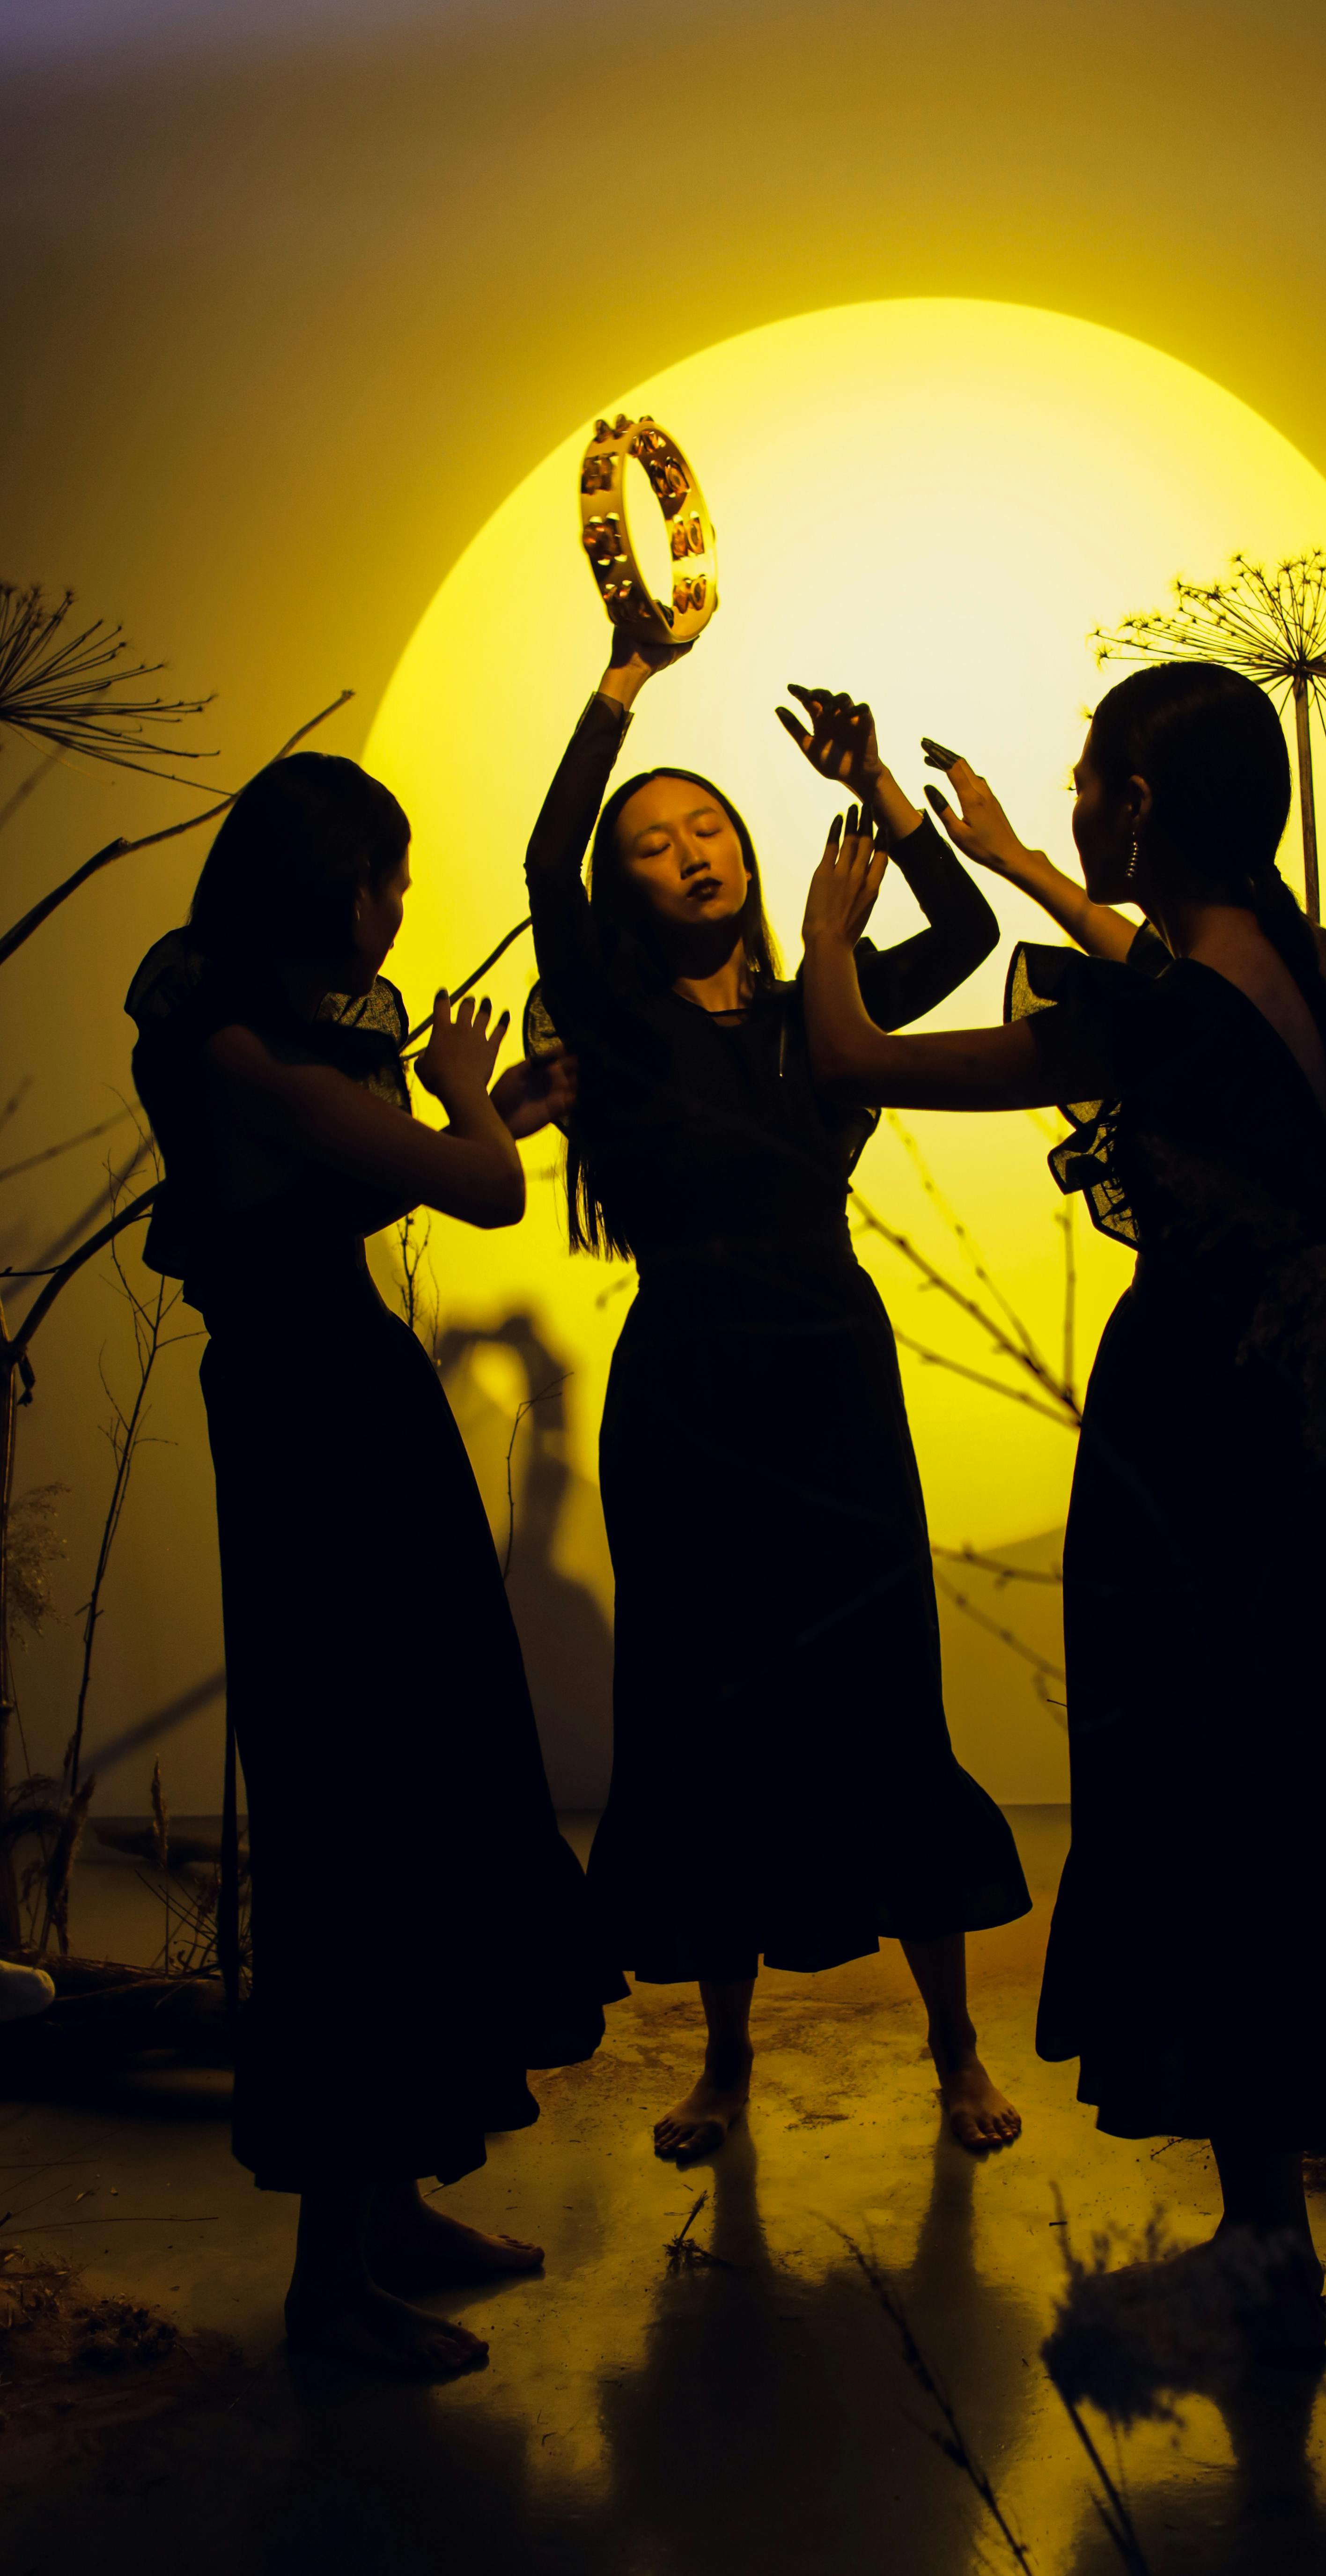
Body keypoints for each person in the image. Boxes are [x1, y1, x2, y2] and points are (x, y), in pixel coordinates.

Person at [798, 662, 1326, 2370]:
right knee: (1279, 1776)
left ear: (1146, 808)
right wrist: (1015, 863)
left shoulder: (1158, 1016)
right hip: (1294, 1409)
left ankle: (1257, 2250)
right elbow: (1168, 975)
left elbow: (850, 1052)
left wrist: (830, 914)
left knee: (1205, 1792)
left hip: (1202, 1429)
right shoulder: (1293, 963)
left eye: (1087, 777)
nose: (1073, 792)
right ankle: (1269, 2234)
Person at [127, 751, 624, 2379]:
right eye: (387, 880)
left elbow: (410, 1150)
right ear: (338, 890)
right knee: (359, 1823)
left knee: (413, 1804)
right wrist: (484, 1093)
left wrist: (515, 1097)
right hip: (321, 1437)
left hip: (335, 1419)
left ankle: (390, 2208)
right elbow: (473, 1183)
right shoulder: (245, 1048)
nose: (398, 912)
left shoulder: (258, 1037)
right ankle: (327, 2291)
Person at [523, 641, 1031, 2159]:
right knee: (706, 1707)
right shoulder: (610, 1020)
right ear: (625, 885)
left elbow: (962, 916)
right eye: (654, 843)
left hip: (830, 1378)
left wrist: (875, 787)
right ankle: (726, 2063)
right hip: (684, 1386)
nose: (689, 853)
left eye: (708, 830)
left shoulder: (830, 1006)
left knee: (880, 1693)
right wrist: (618, 677)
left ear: (748, 850)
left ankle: (953, 2044)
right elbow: (547, 854)